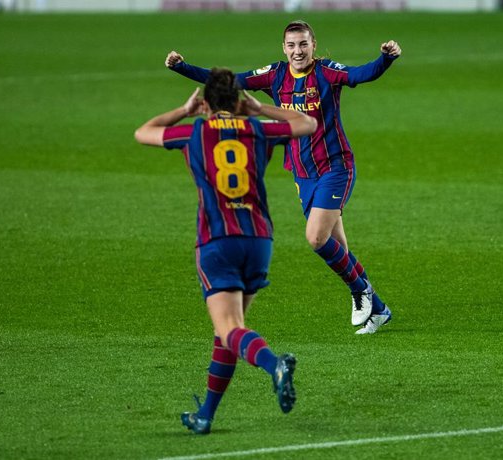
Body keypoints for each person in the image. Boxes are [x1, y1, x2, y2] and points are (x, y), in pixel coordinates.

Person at [164, 20, 402, 335]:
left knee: (316, 237)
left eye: (303, 44)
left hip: (335, 166)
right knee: (337, 248)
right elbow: (229, 82)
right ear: (284, 48)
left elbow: (360, 73)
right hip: (302, 172)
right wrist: (183, 68)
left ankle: (363, 294)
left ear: (313, 45)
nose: (297, 51)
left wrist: (386, 58)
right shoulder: (275, 75)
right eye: (291, 45)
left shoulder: (327, 72)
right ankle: (378, 309)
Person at [134, 68, 317, 434]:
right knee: (229, 332)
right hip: (258, 239)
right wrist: (260, 107)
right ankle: (206, 415)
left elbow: (143, 132)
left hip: (218, 241)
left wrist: (185, 111)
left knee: (230, 327)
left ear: (205, 103)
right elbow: (307, 123)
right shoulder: (258, 129)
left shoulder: (194, 131)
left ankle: (274, 365)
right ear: (238, 101)